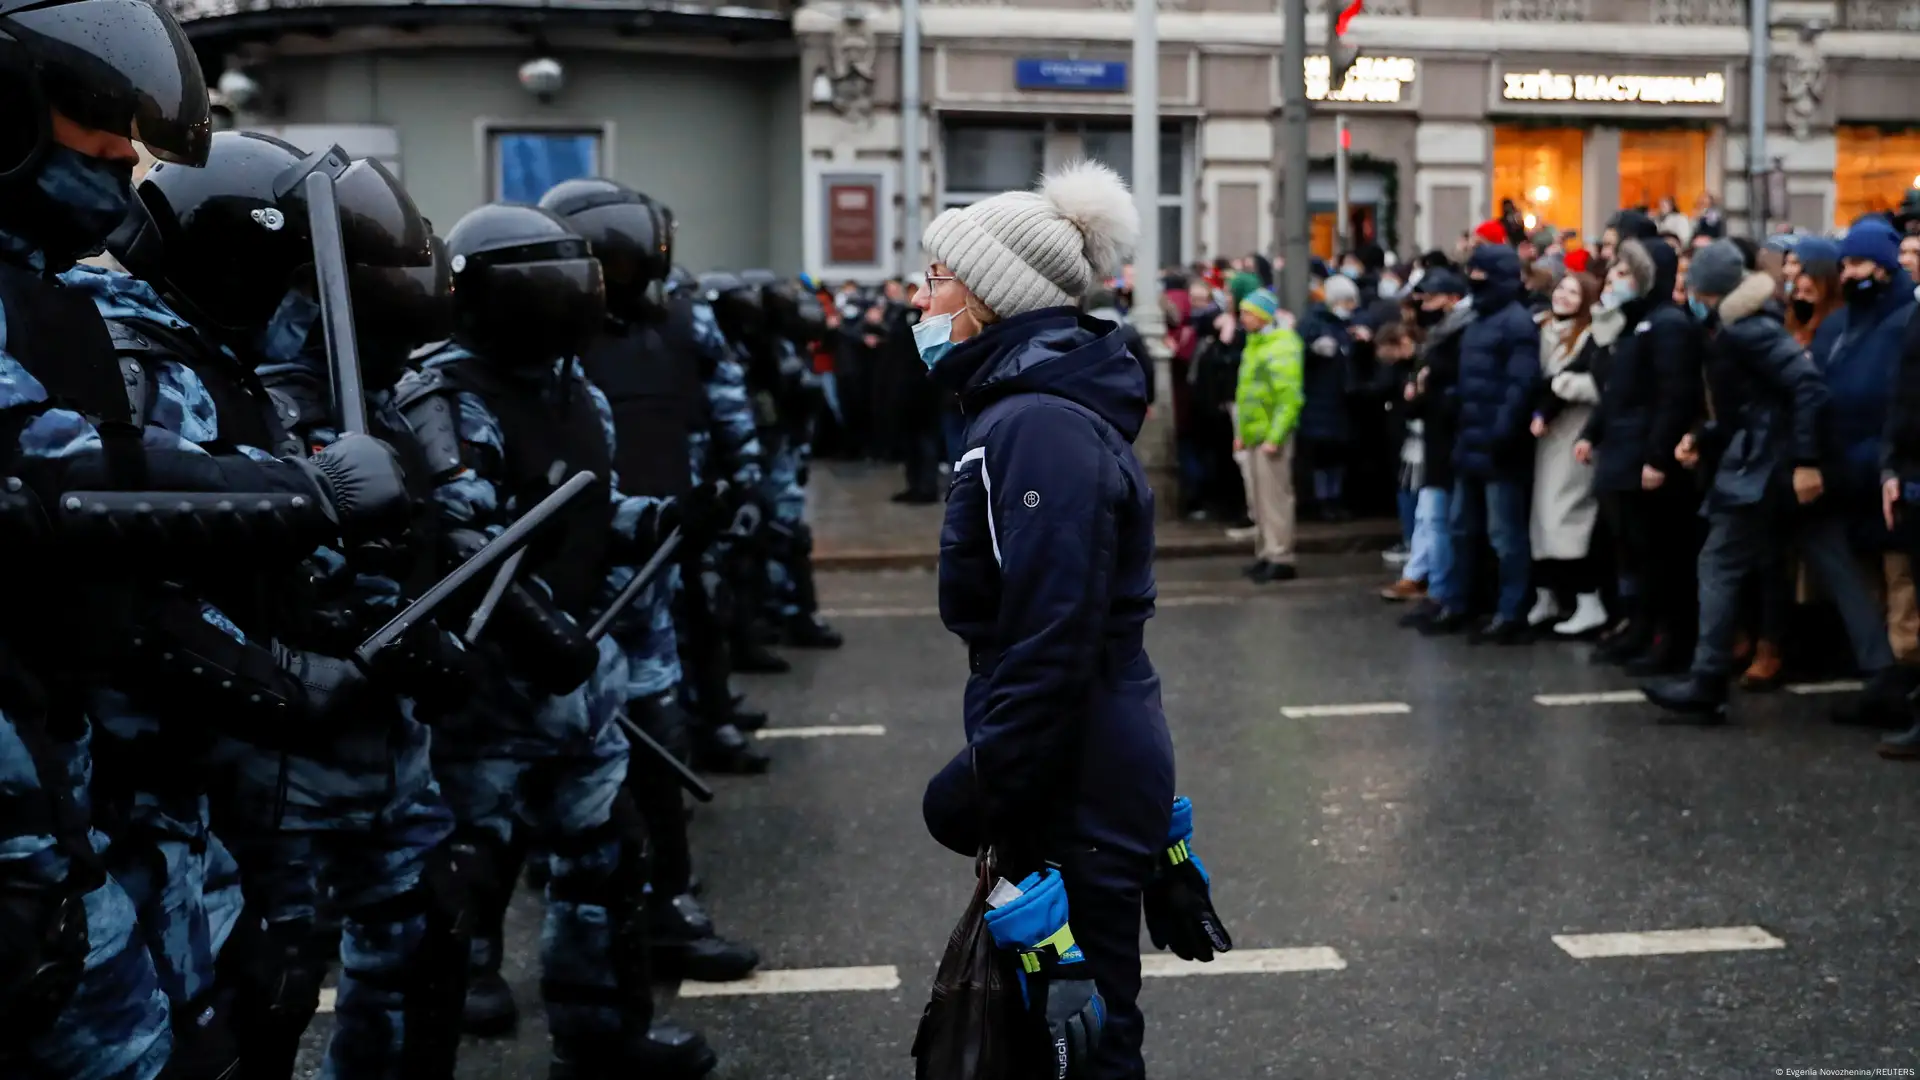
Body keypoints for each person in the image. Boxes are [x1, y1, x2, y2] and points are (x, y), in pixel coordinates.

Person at [90, 131, 471, 1080]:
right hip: (218, 775)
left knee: (421, 942)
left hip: (303, 751)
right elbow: (140, 595)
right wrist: (301, 675)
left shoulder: (220, 363)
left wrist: (381, 621)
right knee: (260, 989)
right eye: (292, 278)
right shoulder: (142, 367)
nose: (307, 309)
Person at [400, 203, 717, 1078]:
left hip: (580, 681)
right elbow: (462, 543)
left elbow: (586, 512)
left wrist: (665, 520)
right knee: (474, 865)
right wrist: (538, 633)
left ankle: (603, 1034)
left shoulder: (575, 389)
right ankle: (467, 981)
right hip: (488, 694)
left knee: (605, 863)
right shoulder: (444, 399)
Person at [915, 161, 1202, 1080]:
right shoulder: (1020, 413)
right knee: (1063, 1036)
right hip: (1077, 764)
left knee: (1084, 1045)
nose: (920, 297)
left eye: (936, 279)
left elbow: (1055, 641)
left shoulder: (1034, 426)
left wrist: (980, 783)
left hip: (1071, 771)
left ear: (992, 300)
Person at [1644, 240, 1888, 721]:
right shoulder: (1748, 325)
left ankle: (1707, 677)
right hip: (1771, 465)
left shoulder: (1746, 331)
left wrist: (1804, 460)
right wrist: (1708, 438)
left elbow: (1806, 389)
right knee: (1834, 564)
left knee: (1719, 562)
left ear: (1706, 290)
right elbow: (1759, 407)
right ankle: (1883, 676)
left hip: (1763, 473)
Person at [1577, 237, 1704, 673]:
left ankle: (1669, 643)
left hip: (1642, 456)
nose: (1617, 281)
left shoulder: (1667, 324)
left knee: (1660, 557)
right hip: (1622, 450)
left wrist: (1657, 457)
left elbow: (1674, 395)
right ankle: (1639, 628)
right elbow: (1617, 393)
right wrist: (1593, 433)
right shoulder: (1638, 323)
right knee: (1632, 552)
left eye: (1628, 273)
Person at [1816, 222, 1915, 726]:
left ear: (1882, 266)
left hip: (1886, 472)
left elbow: (1898, 403)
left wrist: (1887, 462)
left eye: (1857, 264)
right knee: (1870, 587)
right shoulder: (1840, 323)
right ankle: (1882, 685)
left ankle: (1903, 696)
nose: (1848, 273)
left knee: (1902, 589)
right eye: (1845, 265)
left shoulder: (1904, 321)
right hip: (1848, 474)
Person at [1437, 243, 1540, 643]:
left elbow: (1520, 385)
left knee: (1504, 535)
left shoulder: (1514, 322)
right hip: (1472, 438)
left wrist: (1501, 432)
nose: (1474, 283)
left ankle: (1510, 610)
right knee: (1463, 529)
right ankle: (1463, 602)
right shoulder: (1480, 318)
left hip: (1497, 445)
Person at [1526, 271, 1608, 636]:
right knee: (1541, 519)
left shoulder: (1593, 335)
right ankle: (1547, 596)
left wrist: (1560, 387)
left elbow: (1596, 383)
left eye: (1574, 291)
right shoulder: (1539, 327)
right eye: (1561, 288)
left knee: (1566, 518)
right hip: (1544, 438)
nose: (1563, 295)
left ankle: (1588, 601)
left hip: (1575, 435)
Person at [1397, 270, 1472, 621]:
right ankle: (1439, 590)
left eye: (1430, 298)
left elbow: (1446, 388)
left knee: (1443, 520)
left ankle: (1446, 593)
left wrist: (1425, 391)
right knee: (1432, 517)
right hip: (1436, 437)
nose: (1424, 306)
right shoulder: (1441, 334)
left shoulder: (1460, 332)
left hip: (1450, 438)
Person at [1233, 287, 1304, 584]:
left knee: (1273, 499)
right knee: (1261, 500)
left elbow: (1288, 398)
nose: (1242, 319)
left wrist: (1275, 436)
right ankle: (1266, 552)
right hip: (1257, 435)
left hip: (1268, 437)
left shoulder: (1280, 345)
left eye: (1247, 313)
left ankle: (1280, 555)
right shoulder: (1258, 343)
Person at [1298, 274, 1358, 520]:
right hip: (1319, 398)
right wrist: (1313, 350)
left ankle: (1334, 499)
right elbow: (1299, 354)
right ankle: (1323, 501)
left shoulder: (1341, 326)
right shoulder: (1313, 323)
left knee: (1336, 454)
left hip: (1339, 399)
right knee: (1322, 455)